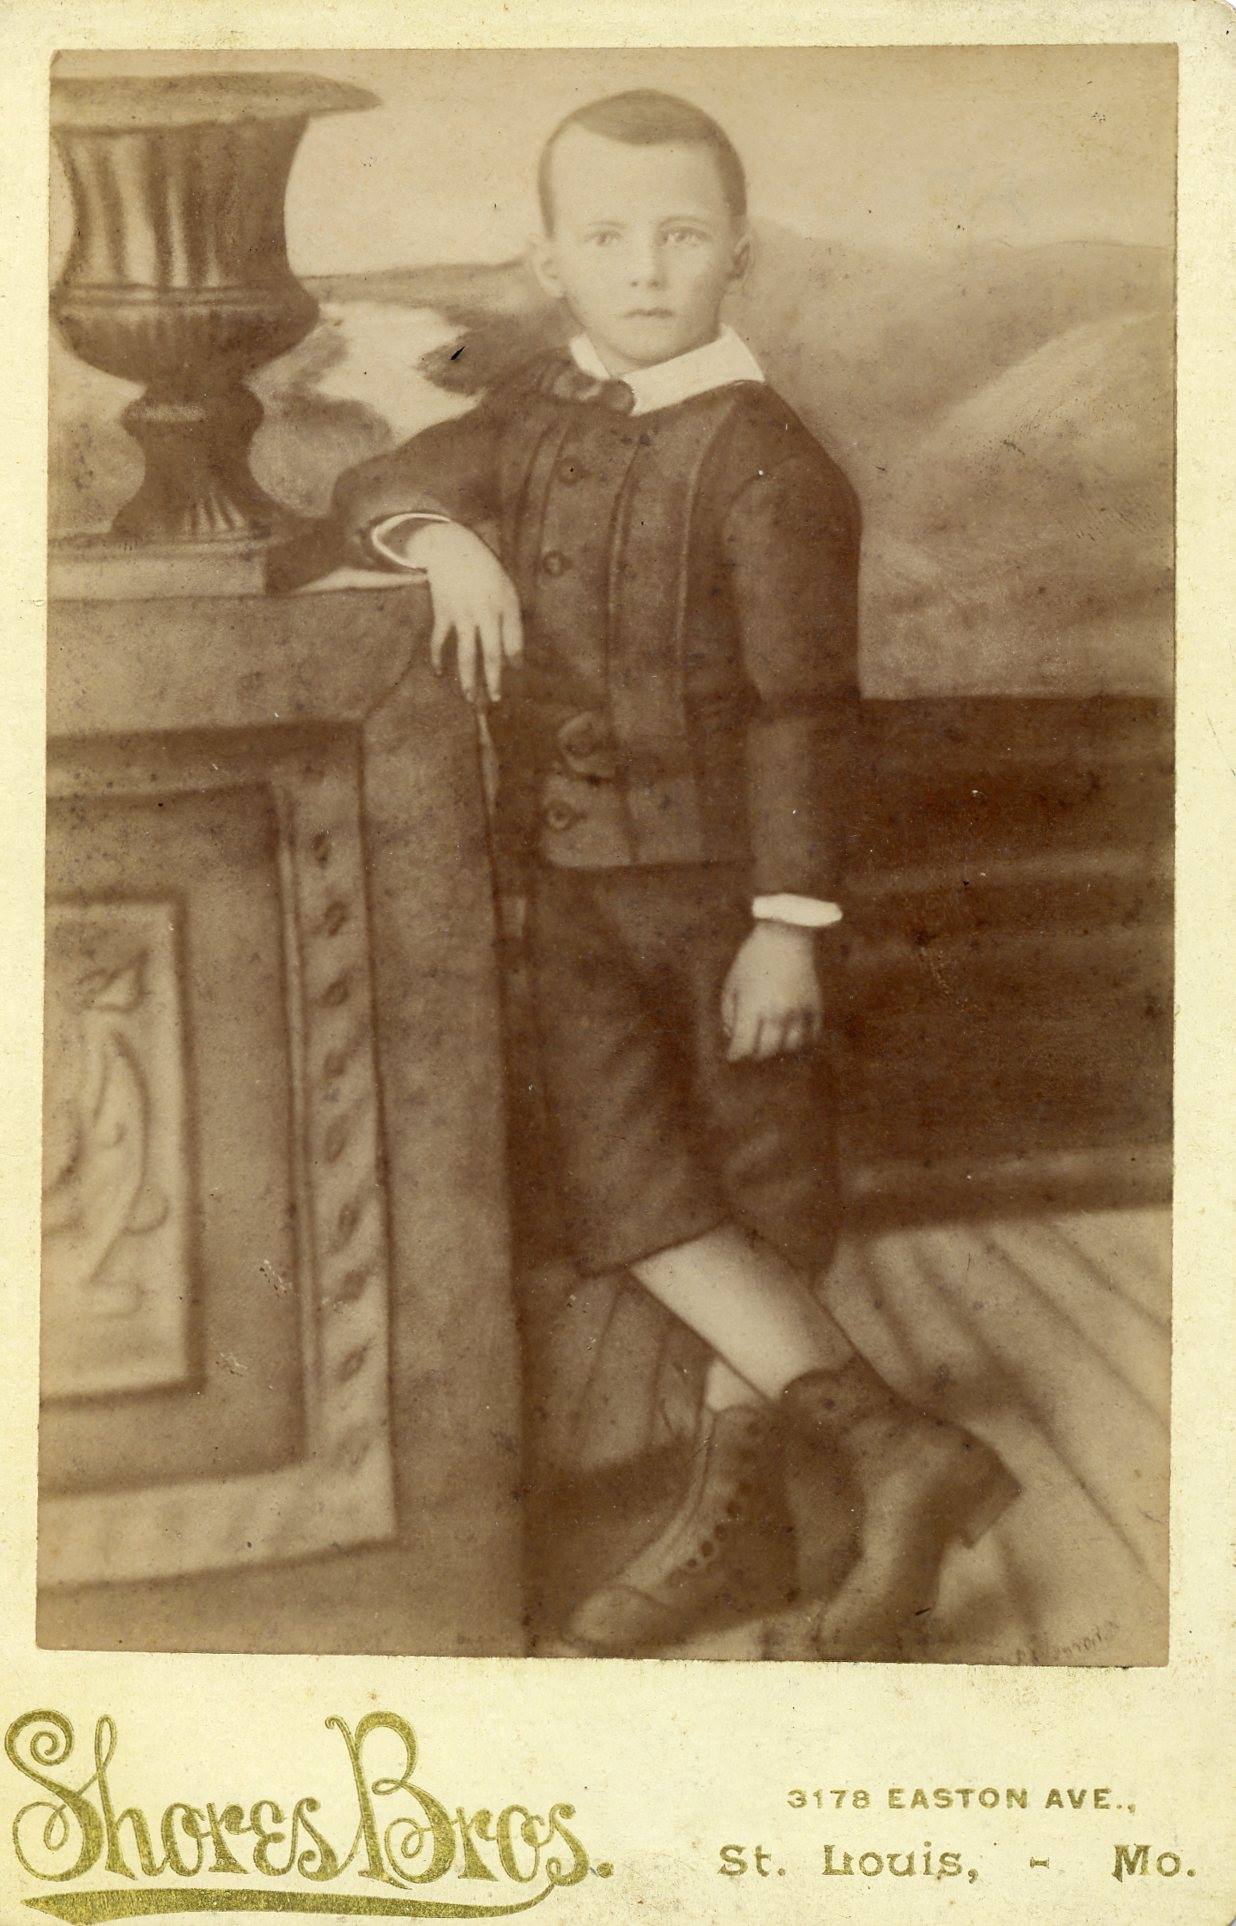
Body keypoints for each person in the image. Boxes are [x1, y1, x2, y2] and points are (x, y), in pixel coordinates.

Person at [327, 89, 1019, 1658]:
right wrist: (437, 535)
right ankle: (898, 1450)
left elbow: (803, 711)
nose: (646, 268)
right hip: (575, 894)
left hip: (729, 901)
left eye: (682, 235)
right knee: (629, 1192)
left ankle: (741, 1526)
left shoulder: (773, 464)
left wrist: (788, 926)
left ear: (739, 252)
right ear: (551, 261)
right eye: (608, 237)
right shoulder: (533, 420)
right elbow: (365, 486)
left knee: (761, 1188)